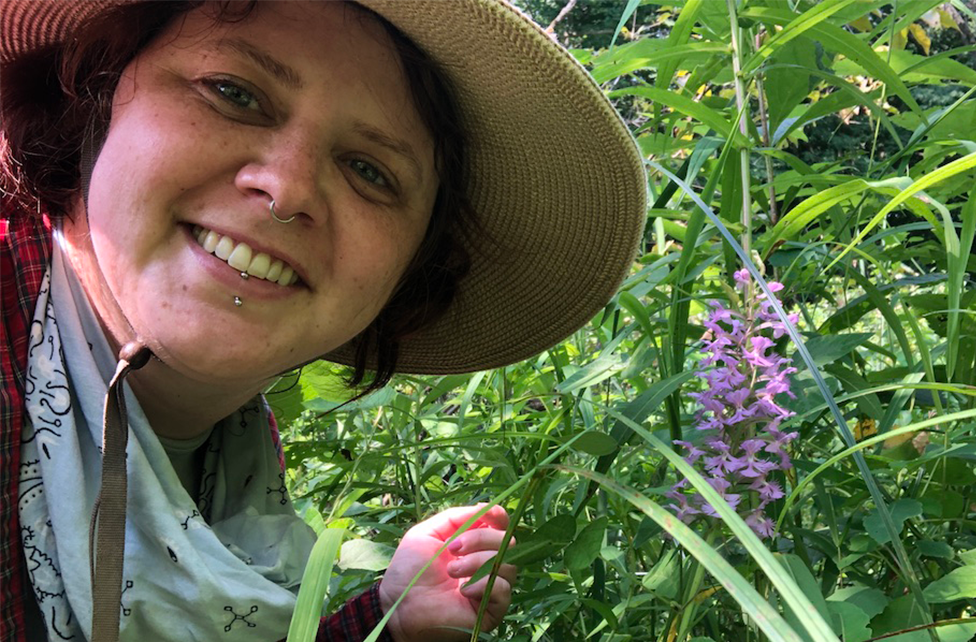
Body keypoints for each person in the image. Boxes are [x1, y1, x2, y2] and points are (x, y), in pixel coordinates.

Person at [0, 1, 646, 641]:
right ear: (96, 94)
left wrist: (388, 622)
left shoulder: (239, 451)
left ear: (410, 273)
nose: (288, 189)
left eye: (370, 171)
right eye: (232, 92)